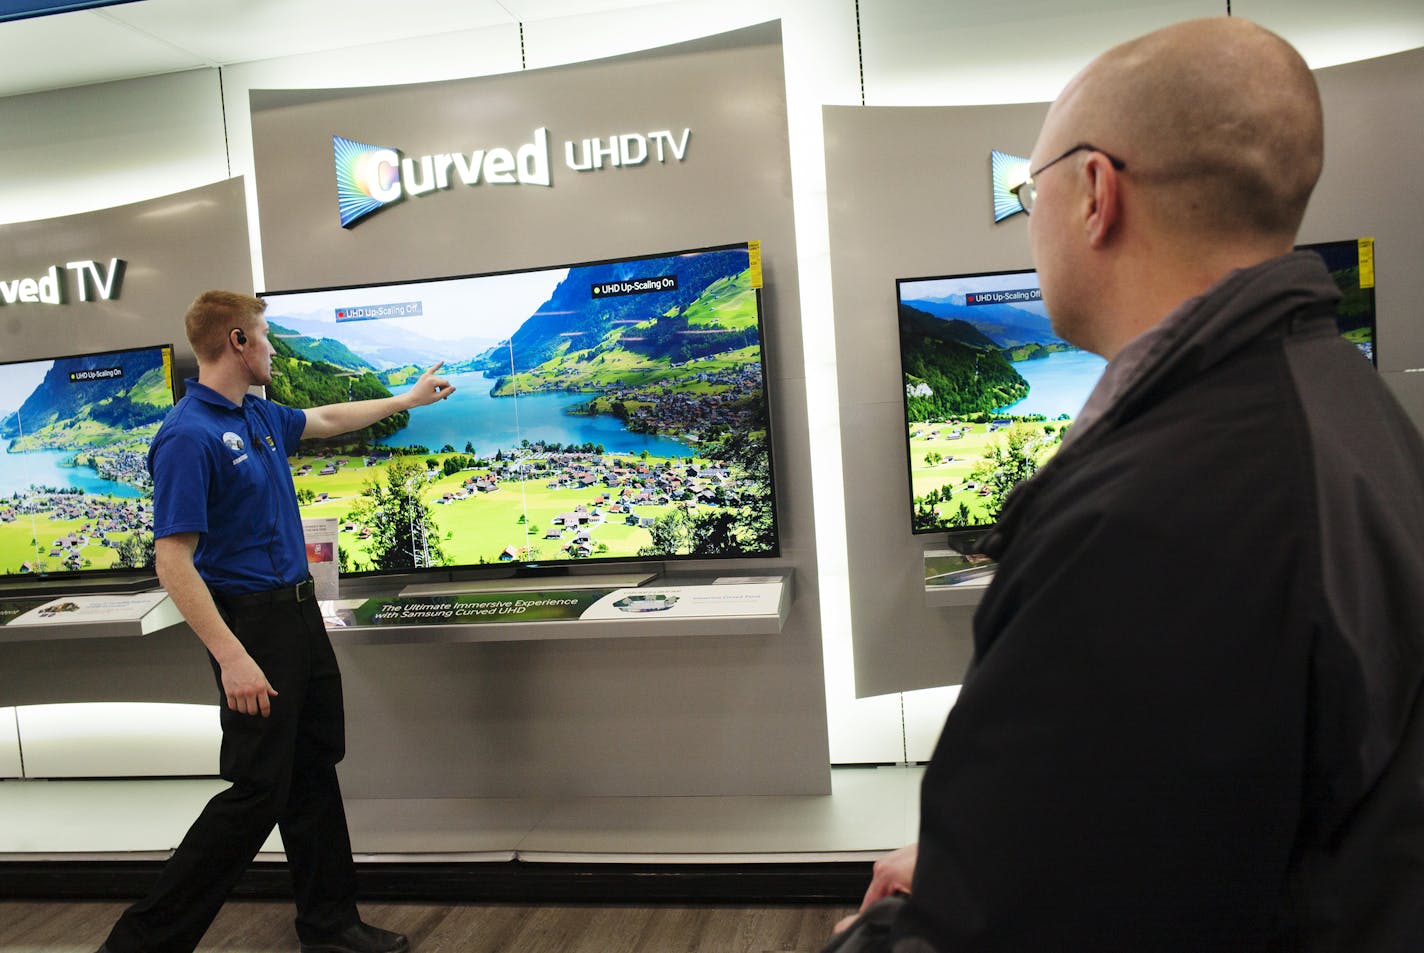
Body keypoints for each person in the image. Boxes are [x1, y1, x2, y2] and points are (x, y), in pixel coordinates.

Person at [831, 17, 1424, 953]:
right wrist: (976, 851)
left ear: (1096, 192)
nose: (1030, 217)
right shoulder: (1345, 398)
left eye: (1030, 190)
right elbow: (1172, 818)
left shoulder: (1148, 519)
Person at [98, 291, 455, 953]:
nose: (271, 348)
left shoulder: (257, 416)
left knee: (313, 767)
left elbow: (325, 416)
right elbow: (173, 559)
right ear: (237, 340)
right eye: (263, 335)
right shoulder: (187, 435)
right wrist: (231, 655)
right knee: (258, 790)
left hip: (297, 616)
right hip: (252, 628)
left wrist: (406, 400)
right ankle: (138, 945)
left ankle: (331, 924)